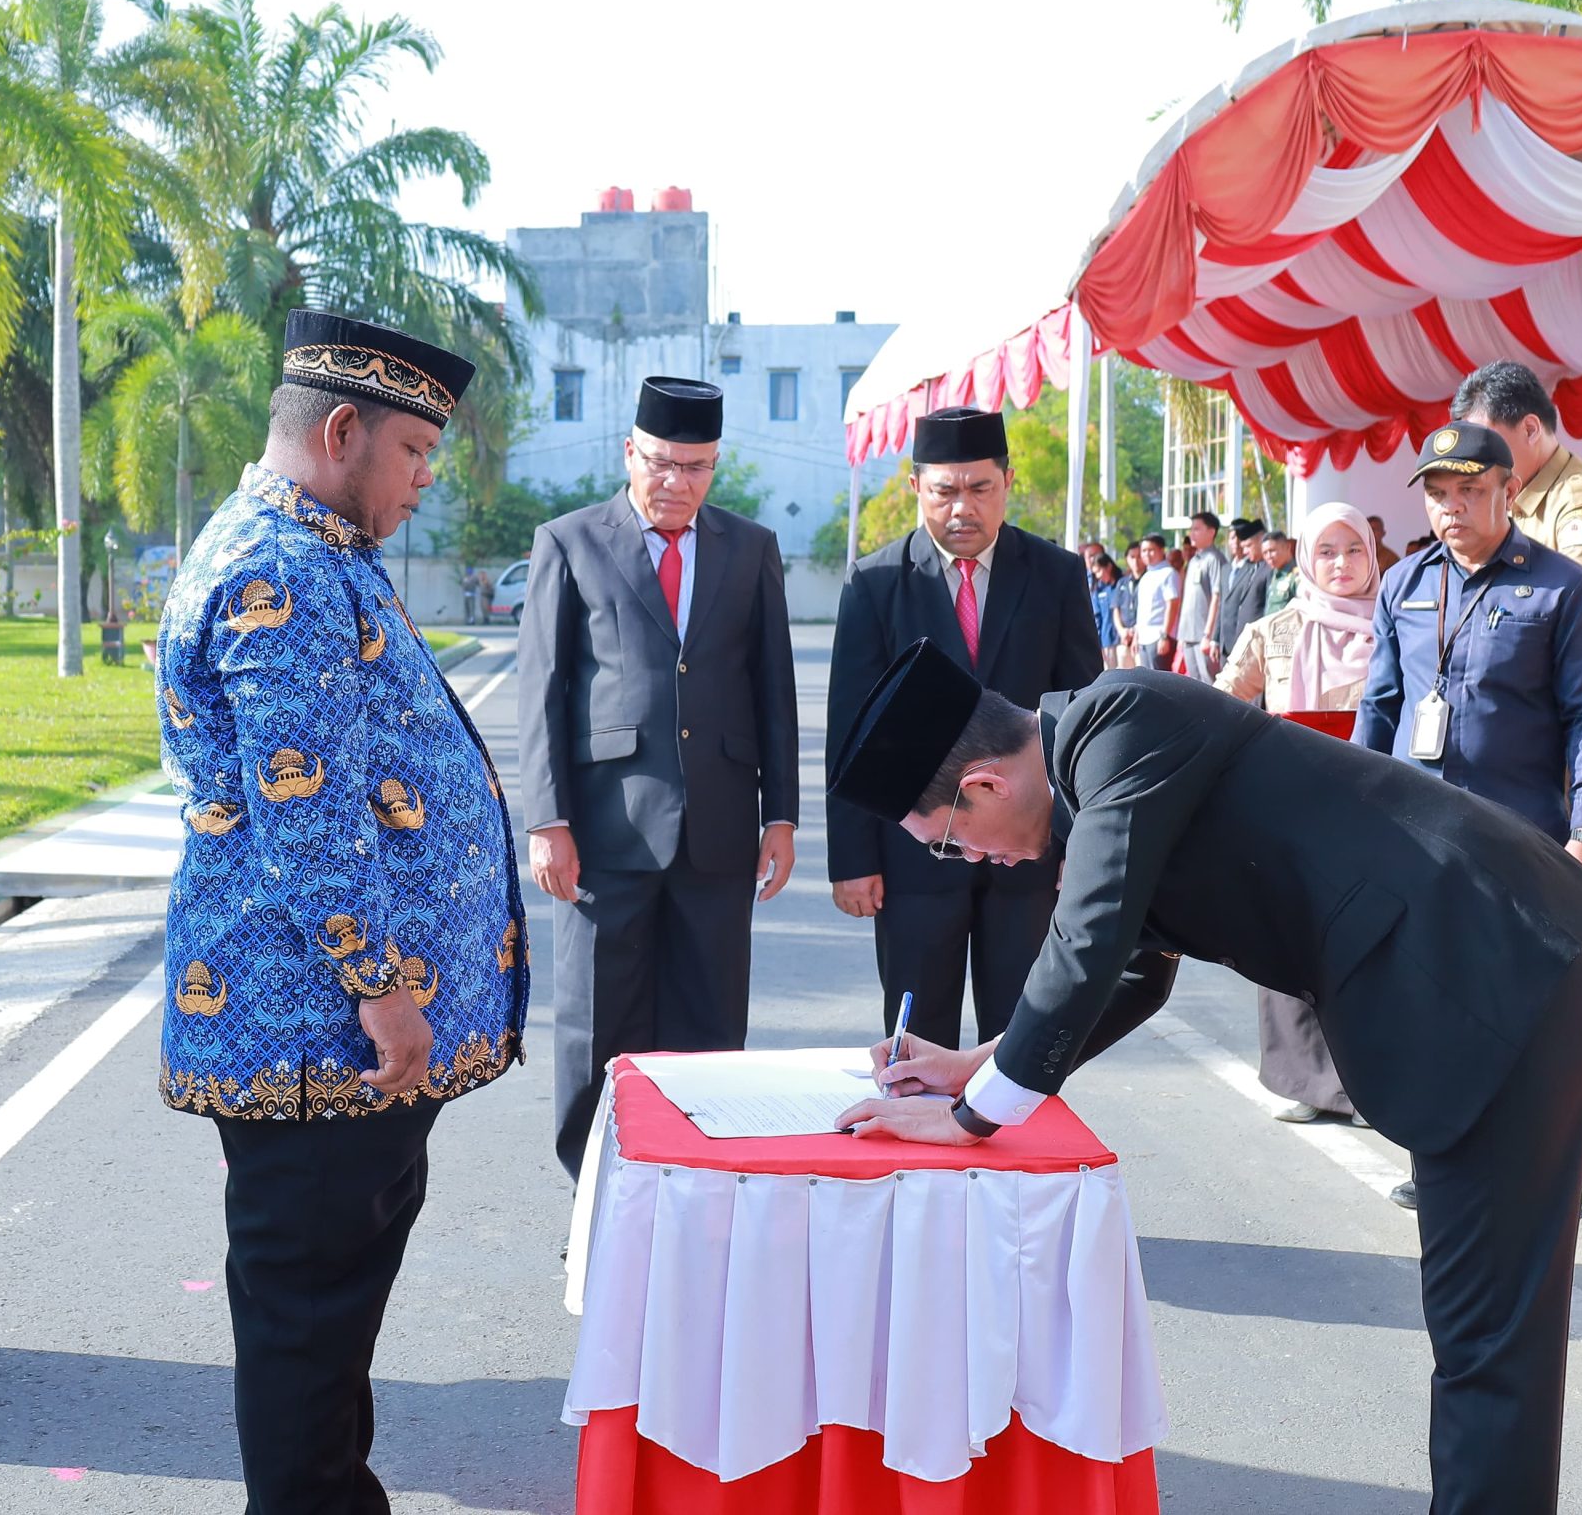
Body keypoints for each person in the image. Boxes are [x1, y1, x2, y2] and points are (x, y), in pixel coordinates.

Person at [827, 641, 1582, 1515]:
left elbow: (1087, 944)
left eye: (948, 843)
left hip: (1498, 967)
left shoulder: (1118, 723)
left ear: (983, 784)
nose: (972, 859)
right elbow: (1131, 968)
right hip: (1474, 976)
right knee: (1481, 1334)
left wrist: (972, 1117)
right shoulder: (1101, 770)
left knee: (1490, 1341)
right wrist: (979, 1062)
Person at [154, 310, 529, 1511]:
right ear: (338, 429)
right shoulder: (279, 566)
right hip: (317, 1026)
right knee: (309, 1323)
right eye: (416, 451)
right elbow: (304, 812)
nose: (426, 478)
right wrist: (384, 987)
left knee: (326, 1320)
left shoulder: (316, 548)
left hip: (331, 1030)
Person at [518, 376, 800, 1177]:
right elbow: (544, 688)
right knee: (597, 1028)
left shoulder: (750, 549)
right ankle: (595, 1197)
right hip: (603, 833)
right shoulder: (570, 541)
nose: (678, 483)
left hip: (717, 829)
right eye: (664, 464)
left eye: (699, 467)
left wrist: (779, 814)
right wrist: (548, 820)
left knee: (710, 1026)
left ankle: (699, 1190)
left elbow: (772, 688)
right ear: (629, 453)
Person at [1358, 423, 1582, 1210]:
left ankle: (1530, 1167)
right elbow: (1379, 706)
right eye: (1439, 494)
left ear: (1509, 490)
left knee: (1518, 1001)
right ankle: (1435, 1159)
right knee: (1425, 995)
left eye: (1470, 490)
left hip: (1519, 833)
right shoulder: (1404, 585)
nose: (1453, 507)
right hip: (1416, 833)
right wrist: (1346, 810)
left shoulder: (1561, 588)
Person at [827, 406, 1103, 1046]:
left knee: (1026, 1037)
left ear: (1007, 481)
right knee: (917, 1038)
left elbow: (1083, 719)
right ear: (915, 488)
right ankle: (923, 1149)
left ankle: (1018, 1147)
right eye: (945, 490)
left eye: (980, 488)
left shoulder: (1055, 575)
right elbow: (850, 731)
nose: (963, 509)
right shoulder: (874, 583)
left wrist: (1077, 845)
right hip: (912, 863)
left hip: (1030, 857)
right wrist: (853, 859)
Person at [1457, 362, 1582, 1054]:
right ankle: (1543, 1035)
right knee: (1537, 885)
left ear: (1532, 429)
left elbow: (1570, 606)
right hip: (1542, 725)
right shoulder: (1507, 499)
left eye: (1488, 441)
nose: (1476, 459)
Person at [1218, 502, 1380, 1126]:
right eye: (1327, 552)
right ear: (1307, 559)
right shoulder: (1272, 631)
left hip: (1376, 807)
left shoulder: (1402, 626)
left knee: (1368, 948)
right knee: (1288, 943)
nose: (1341, 564)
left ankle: (1368, 1088)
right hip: (1290, 809)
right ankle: (1305, 1082)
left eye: (1354, 550)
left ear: (1372, 555)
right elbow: (1221, 705)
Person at [1210, 519, 1270, 699]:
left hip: (1255, 644)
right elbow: (1225, 605)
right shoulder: (1237, 568)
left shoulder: (1267, 569)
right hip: (1230, 642)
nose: (1244, 550)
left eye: (1248, 545)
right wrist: (1215, 638)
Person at [1175, 510, 1226, 684]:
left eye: (1197, 529)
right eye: (1191, 529)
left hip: (1203, 636)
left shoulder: (1215, 559)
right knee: (1194, 684)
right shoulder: (1194, 560)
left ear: (1211, 532)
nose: (1192, 534)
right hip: (1188, 634)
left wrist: (1209, 634)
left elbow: (1217, 598)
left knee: (1210, 683)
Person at [1133, 534, 1179, 669]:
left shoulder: (1168, 573)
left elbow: (1173, 604)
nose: (1147, 554)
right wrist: (1137, 636)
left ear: (1161, 550)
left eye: (1151, 550)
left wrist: (1165, 636)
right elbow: (1141, 610)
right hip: (1143, 638)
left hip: (1159, 636)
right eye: (1144, 550)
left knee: (1160, 681)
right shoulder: (1145, 576)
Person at [1102, 554, 1140, 669]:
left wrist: (1136, 631)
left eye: (1137, 556)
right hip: (1123, 639)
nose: (1136, 561)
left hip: (1140, 639)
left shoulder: (1148, 579)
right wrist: (1122, 631)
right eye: (1132, 557)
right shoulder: (1123, 582)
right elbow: (1116, 609)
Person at [1260, 530, 1300, 615]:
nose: (1269, 556)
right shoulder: (1273, 575)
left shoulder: (1297, 576)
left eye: (1272, 551)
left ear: (1287, 547)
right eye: (1265, 553)